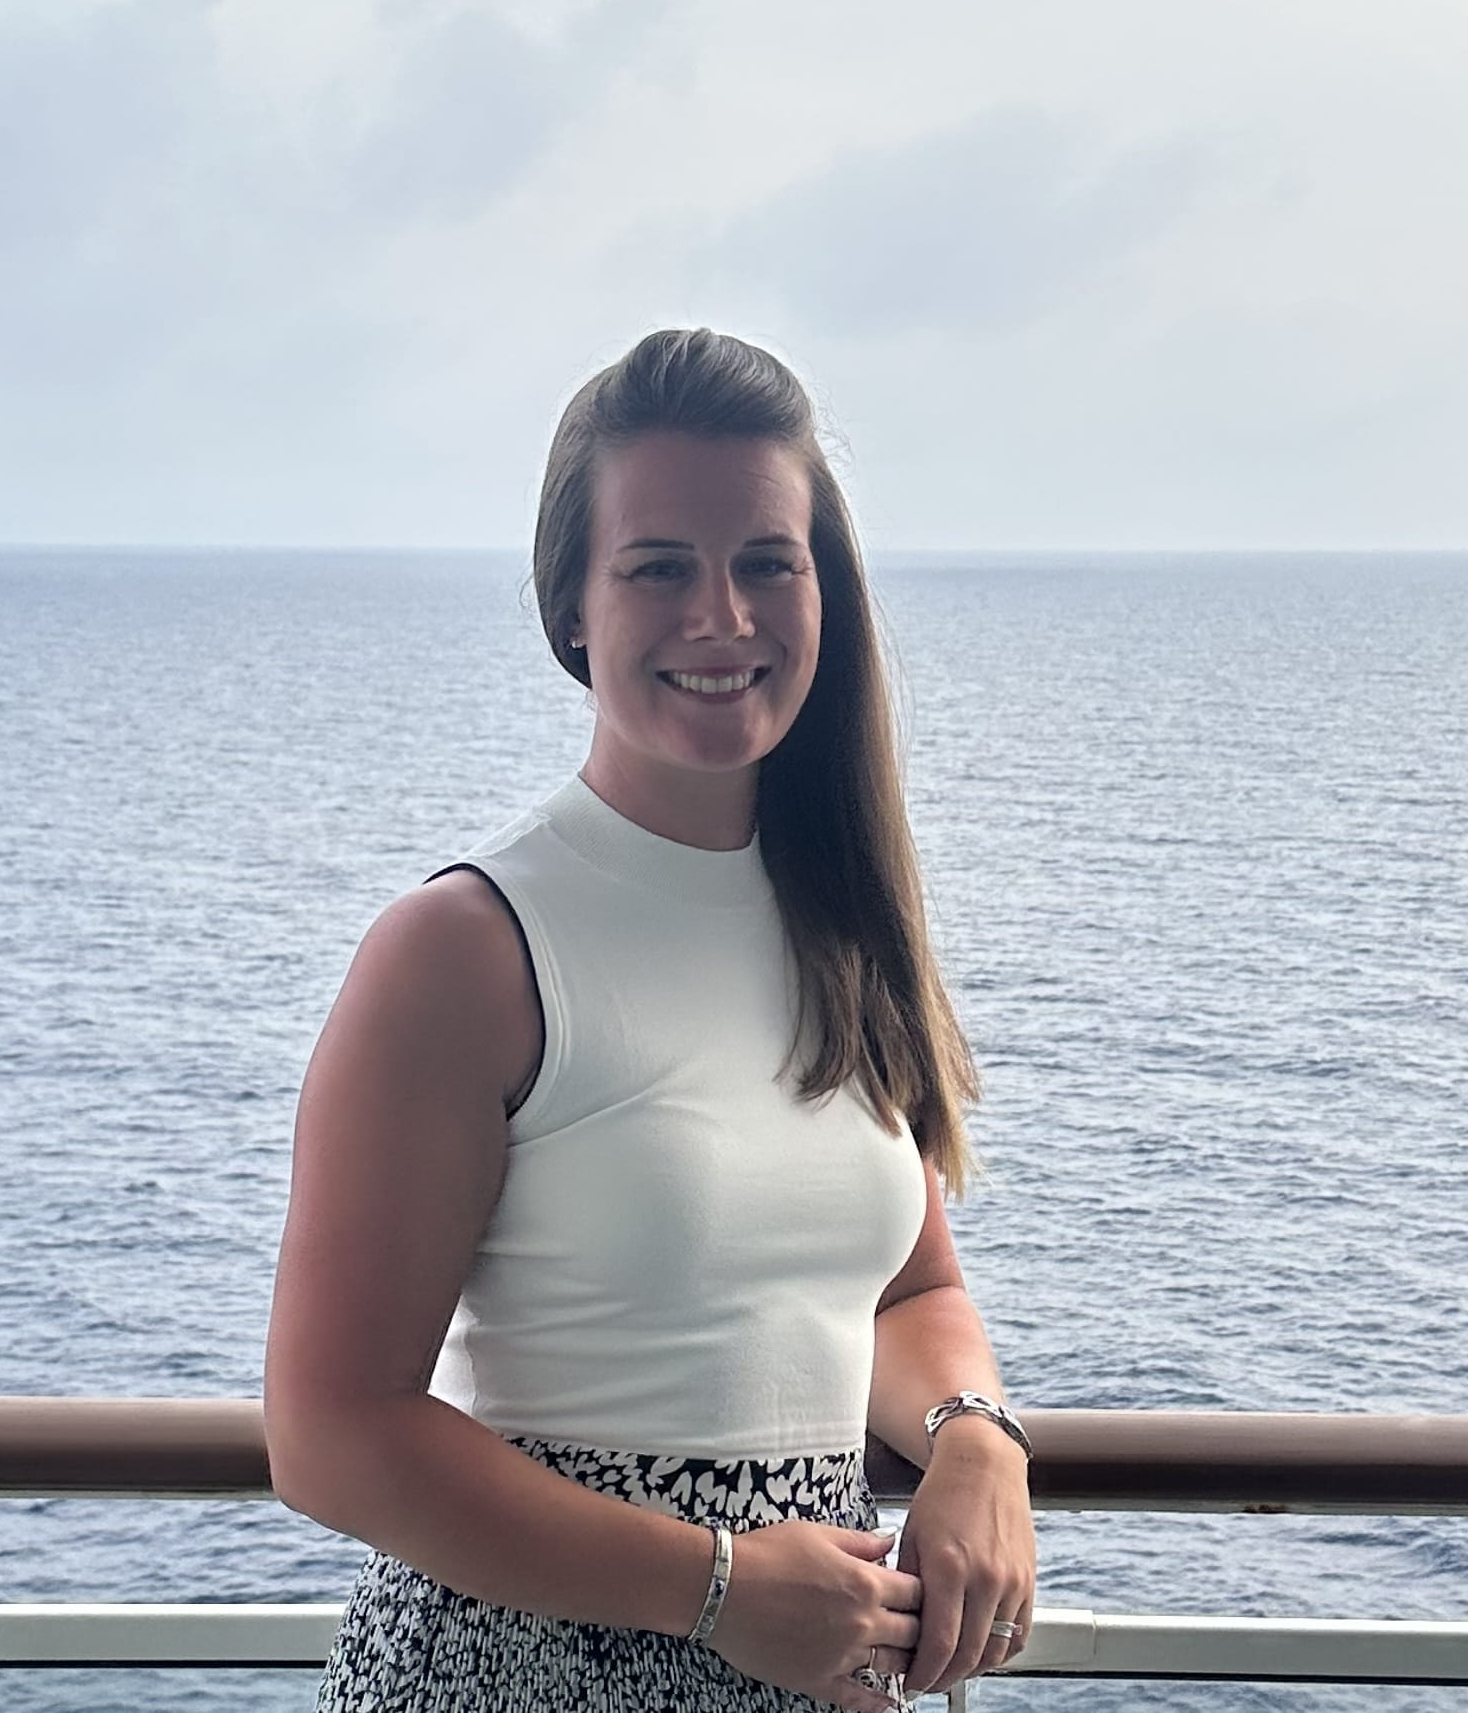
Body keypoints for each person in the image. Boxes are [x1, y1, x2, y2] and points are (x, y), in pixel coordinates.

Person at [263, 328, 1036, 1712]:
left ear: (825, 593)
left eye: (767, 564)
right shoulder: (467, 951)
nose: (722, 617)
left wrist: (975, 1440)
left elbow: (910, 1289)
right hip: (521, 1677)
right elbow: (330, 1433)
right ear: (570, 606)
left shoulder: (841, 925)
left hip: (812, 1664)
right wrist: (719, 1586)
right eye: (660, 567)